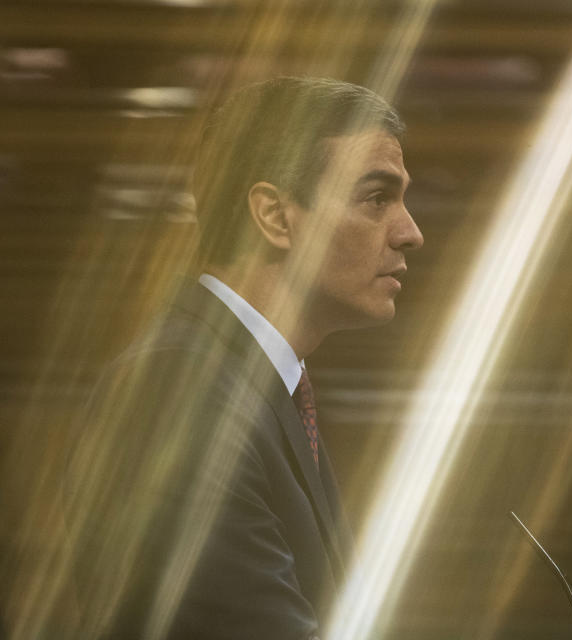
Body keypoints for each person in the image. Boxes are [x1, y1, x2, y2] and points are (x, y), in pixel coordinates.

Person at [64, 77, 423, 639]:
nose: (410, 232)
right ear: (276, 217)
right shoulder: (178, 388)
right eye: (377, 197)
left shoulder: (250, 382)